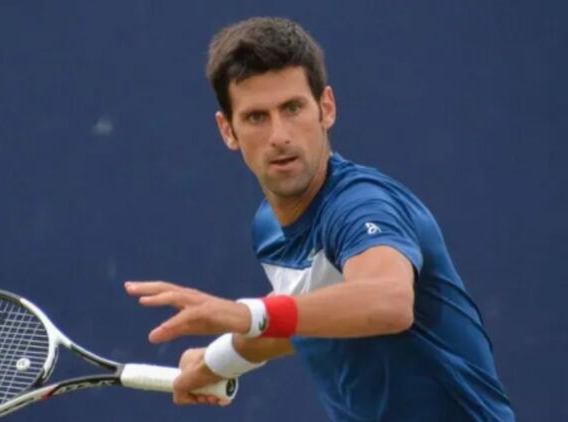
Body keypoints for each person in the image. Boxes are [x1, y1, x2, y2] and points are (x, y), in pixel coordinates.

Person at [125, 17, 514, 421]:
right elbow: (303, 318)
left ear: (326, 108)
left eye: (292, 108)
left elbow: (388, 302)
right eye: (256, 117)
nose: (280, 135)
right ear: (228, 131)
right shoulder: (268, 227)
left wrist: (248, 314)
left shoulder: (362, 206)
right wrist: (215, 362)